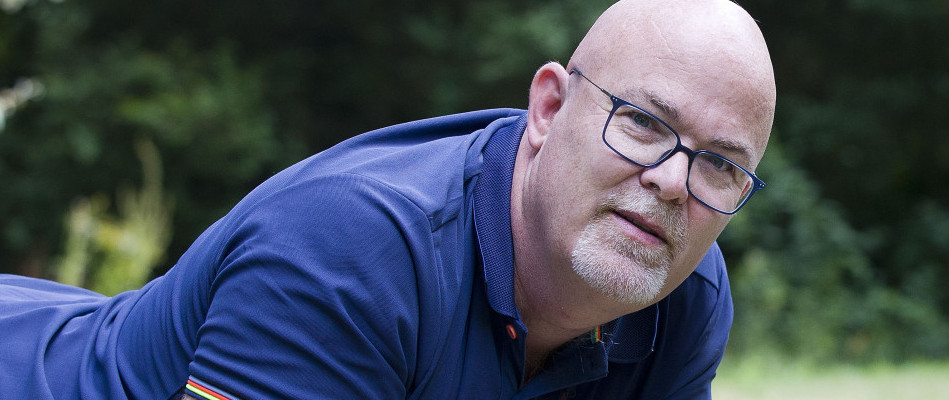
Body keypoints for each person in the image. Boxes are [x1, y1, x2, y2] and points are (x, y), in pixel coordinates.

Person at [0, 0, 775, 398]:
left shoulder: (681, 294)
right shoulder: (351, 250)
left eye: (719, 166)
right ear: (547, 110)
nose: (673, 182)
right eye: (642, 123)